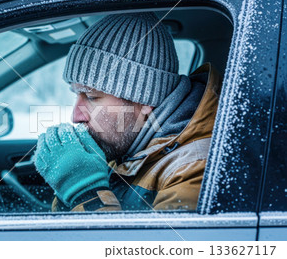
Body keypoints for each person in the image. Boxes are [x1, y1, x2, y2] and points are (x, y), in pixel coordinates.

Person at [33, 12, 221, 212]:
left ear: (145, 98)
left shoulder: (196, 167)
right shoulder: (126, 142)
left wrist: (86, 194)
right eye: (76, 94)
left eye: (91, 97)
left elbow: (129, 245)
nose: (76, 116)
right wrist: (67, 188)